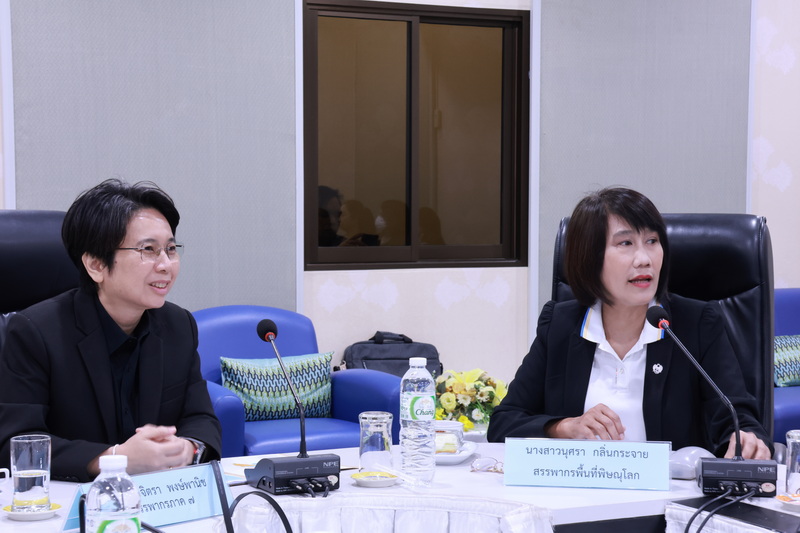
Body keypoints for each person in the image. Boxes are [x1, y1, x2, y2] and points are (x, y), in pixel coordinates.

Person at [488, 187, 772, 459]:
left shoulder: (696, 324)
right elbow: (504, 423)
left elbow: (738, 417)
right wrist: (564, 427)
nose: (644, 259)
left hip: (670, 491)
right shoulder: (560, 325)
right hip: (579, 488)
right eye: (625, 243)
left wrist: (746, 439)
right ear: (590, 258)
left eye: (652, 241)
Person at [0, 179, 222, 482]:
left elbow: (200, 416)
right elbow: (16, 443)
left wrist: (188, 448)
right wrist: (115, 459)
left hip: (158, 495)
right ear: (96, 265)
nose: (166, 265)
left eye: (171, 249)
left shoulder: (178, 325)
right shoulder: (34, 332)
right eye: (148, 249)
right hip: (71, 498)